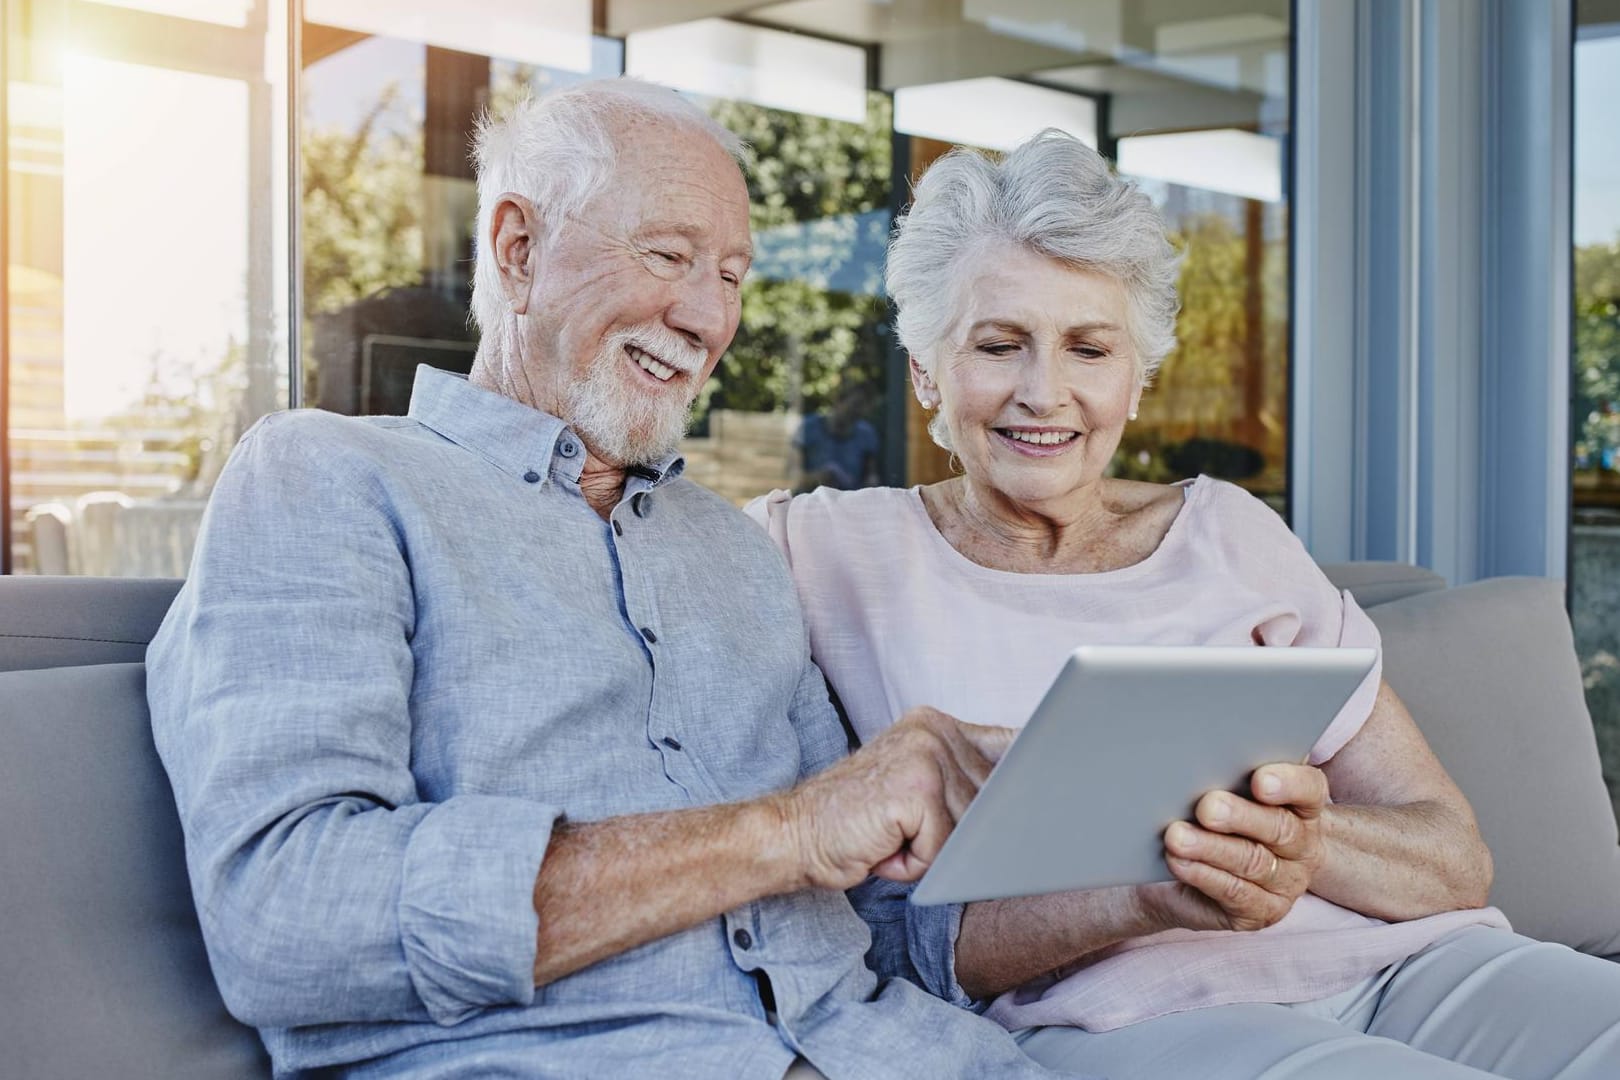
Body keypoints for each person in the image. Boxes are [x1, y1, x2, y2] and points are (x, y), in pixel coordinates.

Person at [145, 80, 1075, 1080]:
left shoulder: (739, 555)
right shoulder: (327, 481)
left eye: (732, 274)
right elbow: (288, 918)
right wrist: (787, 830)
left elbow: (876, 940)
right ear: (517, 249)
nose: (710, 316)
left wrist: (1152, 892)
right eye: (669, 257)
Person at [748, 129, 1620, 1079]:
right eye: (999, 345)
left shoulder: (1232, 532)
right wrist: (1155, 891)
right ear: (925, 370)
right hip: (1123, 1016)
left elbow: (1453, 858)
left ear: (1137, 375)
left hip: (1416, 964)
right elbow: (909, 936)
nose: (1045, 393)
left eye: (1089, 348)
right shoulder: (819, 548)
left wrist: (1286, 840)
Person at [795, 379, 881, 491]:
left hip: (849, 502)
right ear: (839, 400)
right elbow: (792, 474)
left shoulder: (866, 434)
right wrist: (816, 478)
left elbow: (871, 476)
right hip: (810, 499)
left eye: (866, 407)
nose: (860, 411)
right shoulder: (809, 427)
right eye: (856, 404)